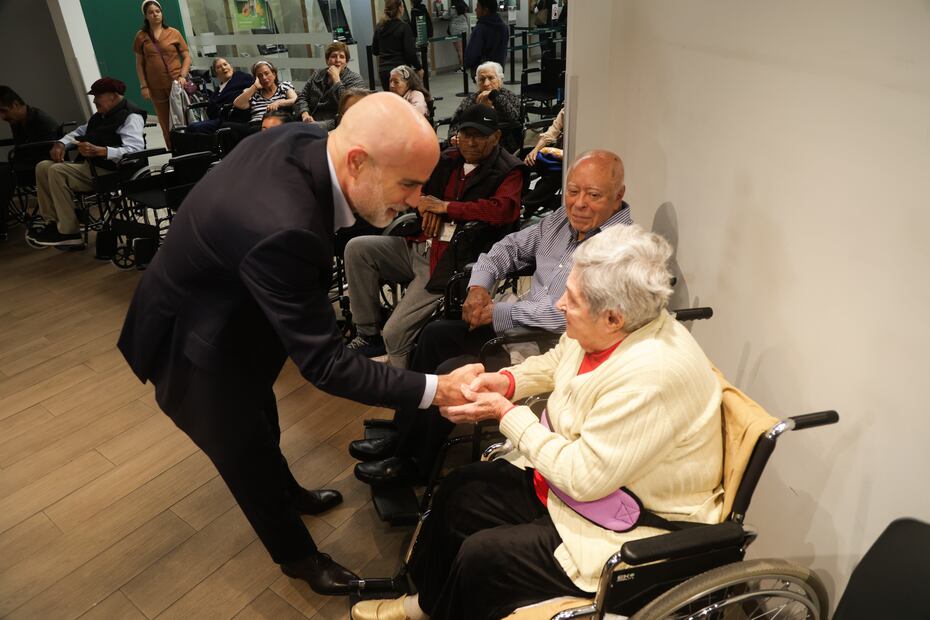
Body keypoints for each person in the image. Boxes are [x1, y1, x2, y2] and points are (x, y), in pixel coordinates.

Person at [117, 92, 481, 596]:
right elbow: (328, 366)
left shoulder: (306, 137)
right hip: (194, 348)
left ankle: (288, 490)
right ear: (358, 160)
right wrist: (438, 390)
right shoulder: (282, 227)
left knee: (262, 415)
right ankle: (299, 559)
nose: (417, 200)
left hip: (236, 312)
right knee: (243, 452)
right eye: (409, 184)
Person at [351, 223, 724, 620]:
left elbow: (584, 476)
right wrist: (507, 380)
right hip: (579, 487)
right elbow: (558, 360)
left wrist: (505, 414)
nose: (560, 303)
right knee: (459, 491)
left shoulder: (652, 376)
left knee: (484, 557)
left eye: (573, 299)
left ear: (614, 318)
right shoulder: (611, 328)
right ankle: (425, 605)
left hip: (628, 519)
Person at [352, 150, 633, 486]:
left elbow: (567, 317)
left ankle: (415, 464)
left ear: (618, 197)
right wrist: (478, 289)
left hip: (550, 350)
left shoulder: (621, 250)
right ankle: (402, 434)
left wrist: (498, 312)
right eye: (573, 191)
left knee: (450, 369)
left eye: (593, 195)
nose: (579, 203)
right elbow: (506, 249)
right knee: (433, 335)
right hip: (516, 328)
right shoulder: (559, 220)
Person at [344, 105, 524, 369]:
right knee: (357, 248)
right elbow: (415, 190)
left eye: (479, 135)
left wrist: (447, 208)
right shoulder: (447, 159)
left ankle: (403, 393)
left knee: (395, 333)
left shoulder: (510, 169)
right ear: (456, 135)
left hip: (451, 260)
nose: (471, 142)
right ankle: (368, 333)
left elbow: (503, 211)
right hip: (420, 244)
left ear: (496, 137)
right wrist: (424, 205)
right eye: (466, 134)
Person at [26, 78, 145, 248]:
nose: (95, 100)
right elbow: (80, 131)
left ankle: (69, 232)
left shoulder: (132, 116)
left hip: (114, 171)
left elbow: (135, 150)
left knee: (58, 171)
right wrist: (61, 143)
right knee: (43, 166)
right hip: (92, 167)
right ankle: (53, 222)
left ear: (112, 96)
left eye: (98, 96)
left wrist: (102, 151)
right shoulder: (100, 115)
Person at [0, 85, 59, 241]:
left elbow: (42, 155)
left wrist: (14, 162)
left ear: (16, 105)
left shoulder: (40, 121)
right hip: (26, 163)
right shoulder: (17, 121)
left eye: (4, 110)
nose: (2, 117)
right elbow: (20, 151)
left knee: (4, 173)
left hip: (41, 166)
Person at [133, 0, 191, 148]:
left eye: (157, 11)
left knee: (184, 119)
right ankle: (174, 152)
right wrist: (144, 86)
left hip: (177, 85)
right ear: (146, 16)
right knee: (166, 124)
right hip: (156, 88)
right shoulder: (141, 36)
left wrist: (183, 76)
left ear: (162, 13)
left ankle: (190, 149)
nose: (155, 14)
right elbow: (139, 64)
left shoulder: (174, 32)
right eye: (151, 12)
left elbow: (186, 55)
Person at [451, 62, 522, 153]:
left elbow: (513, 117)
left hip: (503, 145)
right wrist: (453, 136)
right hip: (472, 144)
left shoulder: (509, 96)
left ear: (500, 80)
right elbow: (456, 121)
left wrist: (495, 96)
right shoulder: (471, 99)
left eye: (491, 78)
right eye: (482, 79)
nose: (486, 83)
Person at [294, 41, 365, 131]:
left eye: (342, 57)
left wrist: (337, 80)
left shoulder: (355, 79)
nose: (338, 60)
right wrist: (305, 114)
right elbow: (302, 97)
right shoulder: (317, 74)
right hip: (308, 121)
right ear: (327, 60)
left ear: (346, 62)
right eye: (333, 56)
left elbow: (349, 107)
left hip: (335, 126)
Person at [185, 57, 253, 133]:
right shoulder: (218, 89)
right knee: (188, 128)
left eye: (225, 64)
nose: (223, 68)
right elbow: (211, 109)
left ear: (231, 66)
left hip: (233, 117)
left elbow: (256, 84)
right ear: (216, 73)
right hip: (218, 119)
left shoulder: (241, 77)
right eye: (219, 67)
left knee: (194, 128)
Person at [372, 0, 422, 92]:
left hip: (384, 71)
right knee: (404, 102)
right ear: (400, 9)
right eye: (402, 6)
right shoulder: (404, 27)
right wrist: (419, 68)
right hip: (400, 70)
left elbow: (375, 50)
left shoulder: (379, 26)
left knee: (391, 102)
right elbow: (410, 52)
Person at [233, 60, 297, 126]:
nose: (264, 78)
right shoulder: (254, 93)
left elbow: (295, 99)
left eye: (267, 73)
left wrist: (278, 103)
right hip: (256, 125)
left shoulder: (283, 86)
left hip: (276, 124)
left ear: (274, 74)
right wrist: (254, 86)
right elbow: (238, 104)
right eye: (260, 76)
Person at [464, 0, 509, 80]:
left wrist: (468, 63)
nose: (475, 10)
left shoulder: (480, 28)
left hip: (482, 72)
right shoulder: (504, 27)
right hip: (498, 71)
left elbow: (473, 53)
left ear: (485, 10)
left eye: (478, 7)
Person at [444, 0, 471, 68]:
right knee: (463, 49)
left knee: (459, 50)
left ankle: (462, 67)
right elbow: (466, 17)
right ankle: (465, 65)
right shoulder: (464, 6)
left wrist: (443, 14)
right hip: (464, 28)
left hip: (456, 29)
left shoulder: (453, 8)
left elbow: (447, 16)